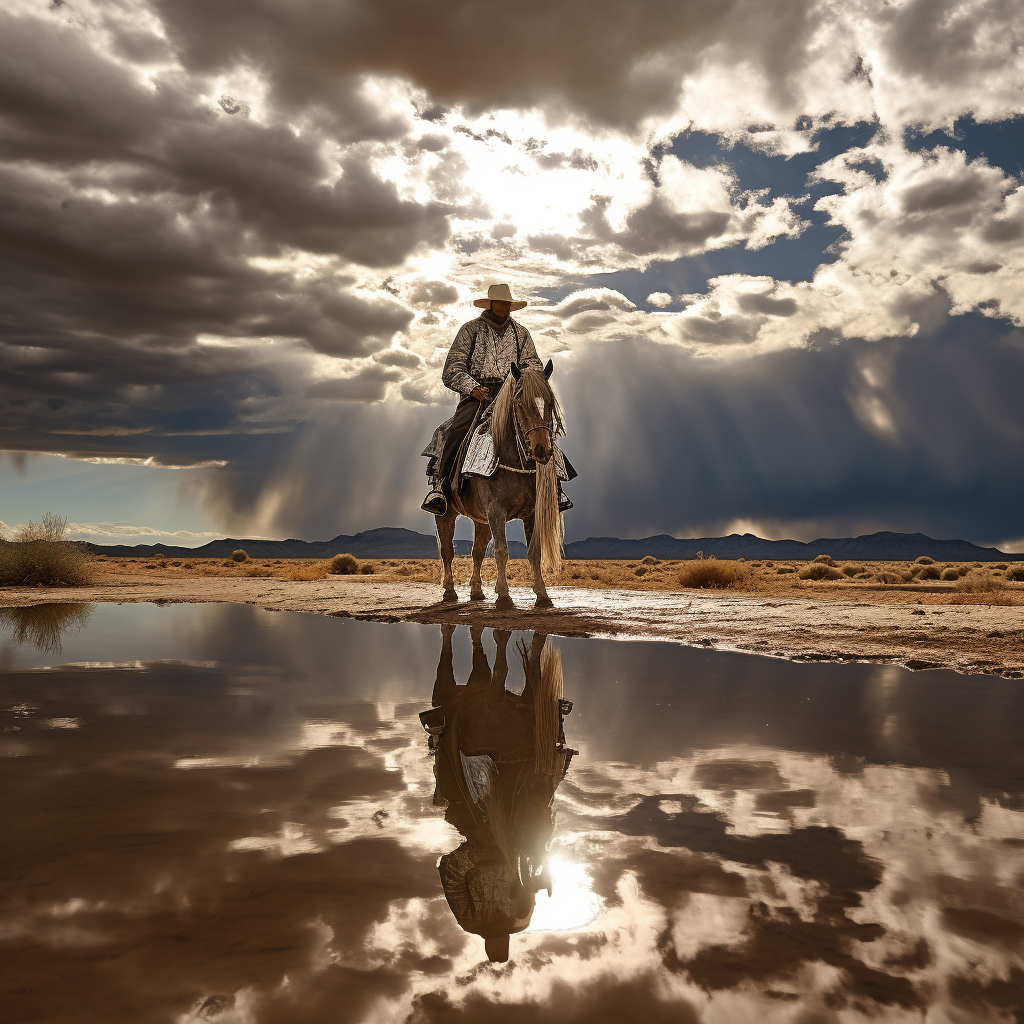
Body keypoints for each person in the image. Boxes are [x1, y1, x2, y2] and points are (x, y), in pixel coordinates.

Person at [421, 283, 573, 516]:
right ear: (491, 304)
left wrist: (529, 382)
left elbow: (532, 363)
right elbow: (452, 369)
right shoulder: (470, 330)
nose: (505, 307)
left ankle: (556, 488)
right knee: (457, 431)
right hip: (478, 396)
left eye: (508, 304)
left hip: (513, 395)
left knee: (540, 428)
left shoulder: (520, 333)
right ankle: (441, 488)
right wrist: (473, 388)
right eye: (501, 303)